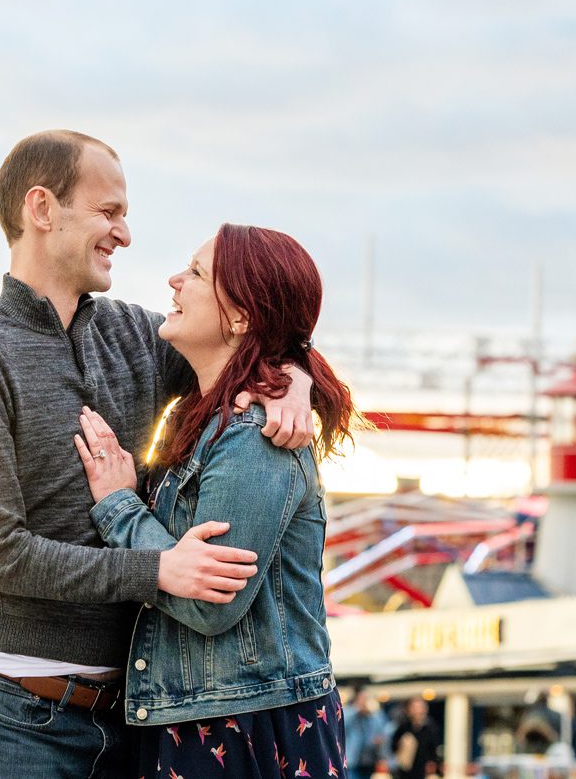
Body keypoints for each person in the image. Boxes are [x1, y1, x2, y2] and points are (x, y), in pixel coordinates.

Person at [0, 132, 316, 779]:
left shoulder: (137, 333)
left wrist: (295, 376)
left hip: (129, 727)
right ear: (42, 209)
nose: (125, 233)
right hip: (8, 721)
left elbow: (241, 348)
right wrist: (157, 568)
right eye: (108, 211)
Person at [72, 224, 354, 777]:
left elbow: (209, 599)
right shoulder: (197, 420)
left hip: (248, 726)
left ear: (242, 317)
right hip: (203, 717)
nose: (175, 281)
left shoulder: (254, 438)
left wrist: (118, 505)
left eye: (196, 273)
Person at [390, 697, 442, 779]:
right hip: (406, 772)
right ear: (408, 710)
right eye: (414, 707)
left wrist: (434, 763)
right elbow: (393, 747)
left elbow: (436, 749)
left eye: (420, 707)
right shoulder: (403, 728)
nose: (417, 710)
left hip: (424, 772)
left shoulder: (431, 728)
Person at [344, 691, 392, 777]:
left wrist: (374, 712)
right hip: (353, 760)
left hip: (370, 760)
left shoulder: (374, 716)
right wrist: (357, 709)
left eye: (366, 699)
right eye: (362, 699)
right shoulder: (349, 712)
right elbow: (343, 723)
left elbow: (384, 730)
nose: (364, 702)